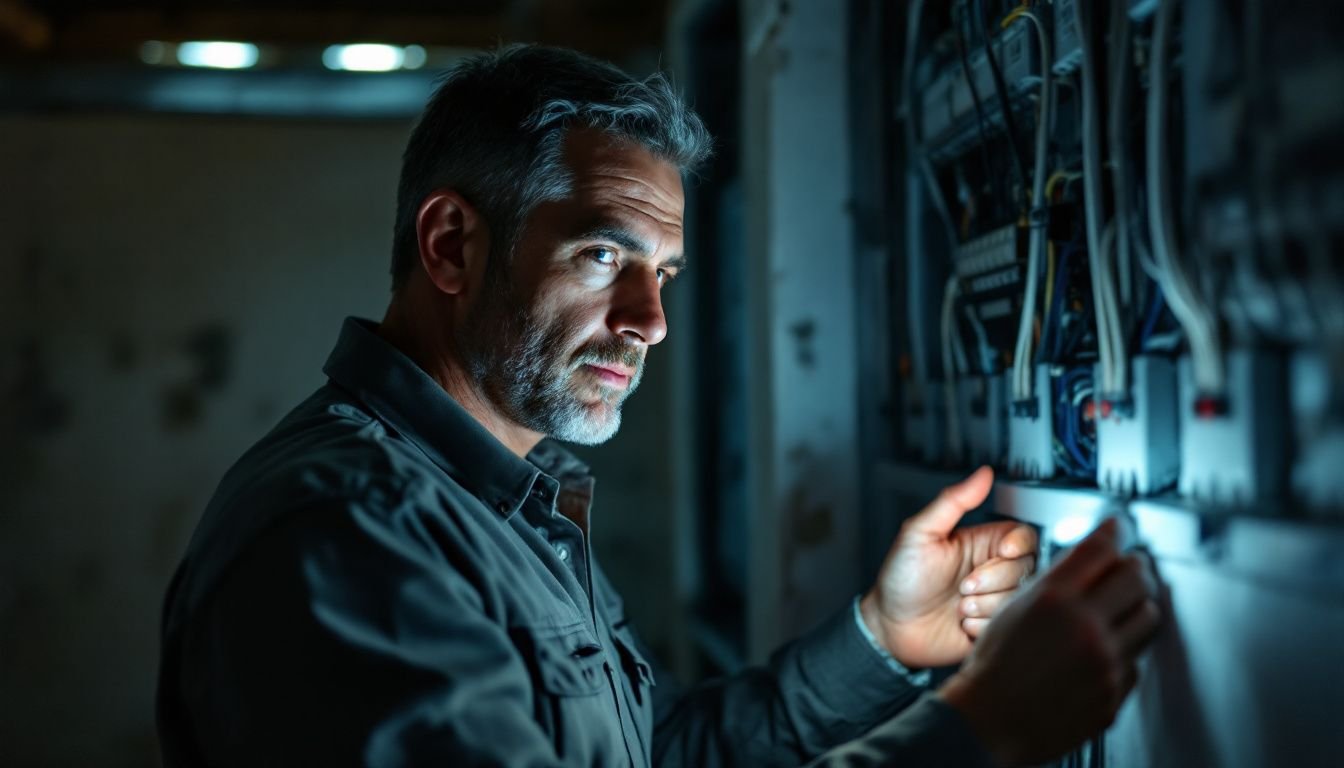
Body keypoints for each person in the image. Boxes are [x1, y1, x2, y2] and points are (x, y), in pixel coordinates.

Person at [157, 45, 1160, 767]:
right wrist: (983, 729)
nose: (650, 321)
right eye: (604, 256)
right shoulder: (344, 534)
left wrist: (882, 642)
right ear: (453, 246)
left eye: (666, 274)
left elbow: (662, 751)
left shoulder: (502, 502)